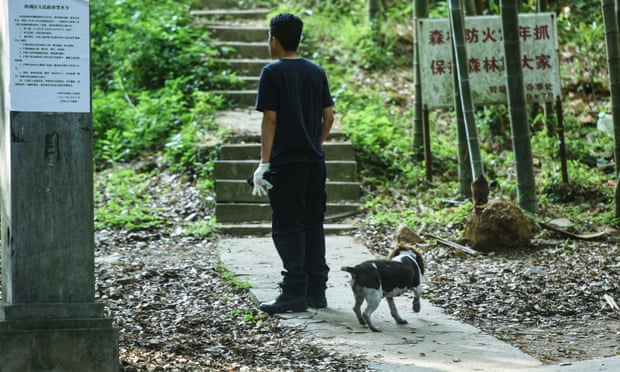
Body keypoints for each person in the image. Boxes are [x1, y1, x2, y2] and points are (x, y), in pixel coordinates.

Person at [252, 13, 335, 314]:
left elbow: (270, 120)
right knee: (313, 224)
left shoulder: (272, 73)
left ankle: (293, 292)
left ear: (274, 39)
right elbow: (329, 116)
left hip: (287, 164)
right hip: (314, 163)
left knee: (287, 227)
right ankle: (317, 291)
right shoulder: (316, 71)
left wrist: (263, 164)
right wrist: (315, 144)